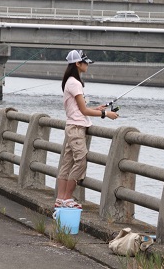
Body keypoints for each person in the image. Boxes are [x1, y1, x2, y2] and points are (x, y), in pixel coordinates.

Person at [55, 50, 119, 209]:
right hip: (76, 128)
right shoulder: (75, 83)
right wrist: (105, 113)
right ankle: (68, 198)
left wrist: (96, 108)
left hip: (72, 126)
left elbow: (79, 108)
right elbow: (83, 112)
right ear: (77, 63)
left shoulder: (69, 81)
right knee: (80, 161)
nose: (87, 64)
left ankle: (60, 198)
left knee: (67, 162)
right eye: (85, 62)